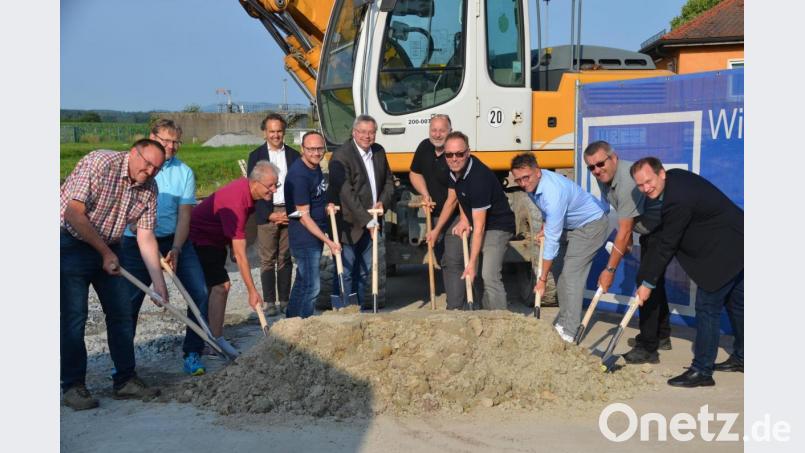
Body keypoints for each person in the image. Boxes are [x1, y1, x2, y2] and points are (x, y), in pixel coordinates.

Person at [60, 139, 167, 411]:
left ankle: (125, 380)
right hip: (70, 242)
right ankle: (73, 386)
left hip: (110, 246)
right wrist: (105, 253)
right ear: (133, 153)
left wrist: (158, 283)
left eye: (157, 168)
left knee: (121, 313)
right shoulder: (100, 163)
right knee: (75, 316)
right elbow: (73, 213)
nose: (150, 172)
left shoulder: (150, 188)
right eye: (147, 164)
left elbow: (145, 236)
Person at [631, 157, 743, 388]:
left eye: (649, 181)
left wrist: (647, 283)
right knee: (737, 304)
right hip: (739, 240)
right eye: (640, 185)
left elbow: (667, 244)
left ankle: (702, 370)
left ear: (661, 173)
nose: (646, 188)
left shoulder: (677, 199)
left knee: (707, 308)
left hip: (726, 248)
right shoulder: (675, 179)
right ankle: (743, 357)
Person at [119, 119, 209, 376]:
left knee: (199, 292)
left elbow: (184, 216)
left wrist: (177, 249)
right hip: (135, 241)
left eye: (176, 142)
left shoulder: (184, 172)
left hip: (174, 240)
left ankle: (193, 352)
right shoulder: (136, 165)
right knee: (128, 302)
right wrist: (140, 232)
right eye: (166, 140)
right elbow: (125, 210)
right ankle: (123, 363)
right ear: (152, 137)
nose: (171, 146)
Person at [583, 141, 668, 364]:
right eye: (591, 167)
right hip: (651, 231)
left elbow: (625, 229)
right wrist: (628, 240)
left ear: (614, 158)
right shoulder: (604, 177)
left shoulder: (627, 182)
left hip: (665, 230)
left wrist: (610, 270)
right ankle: (661, 335)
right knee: (655, 282)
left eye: (600, 164)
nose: (596, 170)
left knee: (646, 281)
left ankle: (648, 348)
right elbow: (624, 215)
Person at [510, 152, 609, 342]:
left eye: (526, 177)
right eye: (518, 179)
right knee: (559, 270)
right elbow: (546, 211)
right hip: (568, 225)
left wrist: (542, 279)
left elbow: (552, 243)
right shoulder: (532, 184)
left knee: (571, 275)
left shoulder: (553, 192)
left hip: (591, 225)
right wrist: (546, 225)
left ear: (538, 172)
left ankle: (570, 332)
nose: (523, 183)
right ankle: (564, 321)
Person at [189, 161, 280, 338]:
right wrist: (252, 291)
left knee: (213, 287)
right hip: (200, 238)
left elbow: (236, 228)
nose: (274, 190)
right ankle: (215, 340)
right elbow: (241, 255)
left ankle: (211, 336)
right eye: (270, 186)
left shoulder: (249, 192)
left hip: (217, 239)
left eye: (276, 185)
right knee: (221, 286)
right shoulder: (237, 200)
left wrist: (231, 245)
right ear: (255, 183)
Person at [436, 131, 515, 310]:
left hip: (498, 226)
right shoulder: (454, 171)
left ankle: (499, 319)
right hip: (478, 221)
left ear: (468, 152)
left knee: (488, 273)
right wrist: (464, 219)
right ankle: (479, 313)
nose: (454, 159)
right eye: (449, 154)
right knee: (471, 270)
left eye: (459, 154)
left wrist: (471, 263)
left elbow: (479, 227)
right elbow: (461, 196)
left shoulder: (479, 178)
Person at [326, 115, 394, 308]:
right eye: (363, 132)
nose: (367, 136)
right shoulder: (341, 156)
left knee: (365, 271)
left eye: (371, 132)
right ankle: (343, 310)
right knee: (345, 271)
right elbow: (346, 193)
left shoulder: (378, 151)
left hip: (372, 219)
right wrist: (367, 220)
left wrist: (383, 202)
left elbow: (389, 182)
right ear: (354, 132)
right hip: (348, 224)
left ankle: (359, 310)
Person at [284, 131, 341, 318]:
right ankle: (304, 324)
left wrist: (326, 206)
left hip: (313, 234)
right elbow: (304, 217)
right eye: (311, 149)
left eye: (319, 149)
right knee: (312, 286)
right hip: (304, 237)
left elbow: (315, 198)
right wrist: (329, 242)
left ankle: (291, 322)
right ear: (302, 149)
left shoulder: (314, 167)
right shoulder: (299, 176)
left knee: (302, 282)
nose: (316, 153)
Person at [247, 113, 299, 316]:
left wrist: (290, 212)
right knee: (267, 259)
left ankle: (285, 301)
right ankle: (269, 302)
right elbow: (253, 189)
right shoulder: (256, 156)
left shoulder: (294, 155)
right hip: (266, 212)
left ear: (284, 132)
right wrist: (269, 215)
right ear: (265, 133)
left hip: (288, 212)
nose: (275, 135)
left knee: (285, 258)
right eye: (272, 131)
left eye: (279, 131)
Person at [412, 115, 466, 309]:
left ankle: (456, 307)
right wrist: (425, 194)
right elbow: (415, 173)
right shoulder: (424, 147)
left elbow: (453, 199)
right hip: (434, 215)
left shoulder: (454, 154)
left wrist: (436, 230)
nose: (437, 134)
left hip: (456, 216)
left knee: (453, 260)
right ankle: (457, 302)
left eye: (442, 130)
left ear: (450, 131)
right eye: (433, 130)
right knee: (443, 259)